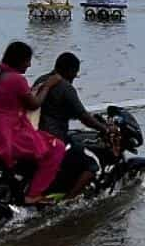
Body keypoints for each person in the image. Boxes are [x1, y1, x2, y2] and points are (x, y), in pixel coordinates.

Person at [0, 41, 66, 204]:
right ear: (19, 60)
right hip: (6, 137)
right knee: (56, 147)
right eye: (27, 61)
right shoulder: (17, 80)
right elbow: (34, 104)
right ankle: (33, 194)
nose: (29, 65)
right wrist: (48, 86)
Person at [34, 52, 110, 198]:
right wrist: (104, 128)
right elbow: (84, 117)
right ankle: (68, 202)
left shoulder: (41, 80)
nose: (75, 76)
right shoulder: (65, 87)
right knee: (91, 164)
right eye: (75, 73)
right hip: (54, 138)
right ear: (69, 70)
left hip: (35, 136)